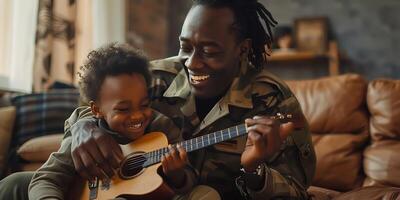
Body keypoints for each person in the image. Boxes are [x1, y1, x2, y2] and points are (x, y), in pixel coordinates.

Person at [0, 0, 316, 199]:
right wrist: (83, 126)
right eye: (185, 46)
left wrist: (254, 170)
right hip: (120, 190)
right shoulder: (154, 76)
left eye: (210, 50)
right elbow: (101, 106)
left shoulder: (275, 102)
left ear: (243, 49)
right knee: (15, 184)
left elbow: (298, 192)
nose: (191, 62)